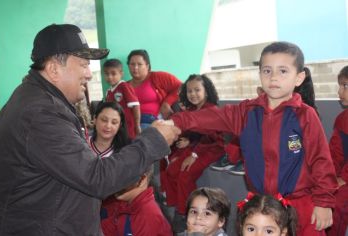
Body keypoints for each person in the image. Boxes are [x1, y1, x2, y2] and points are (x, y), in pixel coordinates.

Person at [0, 23, 180, 235]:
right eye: (83, 65)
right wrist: (154, 140)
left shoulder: (36, 101)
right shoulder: (41, 114)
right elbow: (96, 178)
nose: (90, 74)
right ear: (54, 69)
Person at [166, 41, 338, 235]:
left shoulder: (305, 116)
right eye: (267, 71)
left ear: (299, 78)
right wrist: (174, 122)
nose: (273, 77)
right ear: (259, 75)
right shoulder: (246, 112)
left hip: (301, 205)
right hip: (262, 208)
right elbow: (210, 117)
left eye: (283, 71)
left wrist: (324, 203)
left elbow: (322, 160)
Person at [162, 74, 225, 228]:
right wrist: (188, 142)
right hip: (196, 147)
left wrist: (193, 155)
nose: (193, 94)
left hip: (211, 148)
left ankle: (186, 214)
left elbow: (210, 137)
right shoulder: (190, 110)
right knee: (171, 169)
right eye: (189, 91)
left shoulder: (211, 110)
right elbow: (193, 132)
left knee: (185, 174)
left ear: (206, 91)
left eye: (197, 90)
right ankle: (177, 205)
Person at [101, 165, 173, 236]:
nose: (116, 184)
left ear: (142, 180)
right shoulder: (126, 206)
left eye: (124, 178)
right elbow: (104, 229)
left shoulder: (147, 216)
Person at [127, 49, 182, 129]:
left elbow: (182, 87)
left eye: (139, 64)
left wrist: (167, 103)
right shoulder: (124, 86)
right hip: (132, 123)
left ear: (147, 66)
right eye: (132, 64)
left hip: (153, 121)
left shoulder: (158, 77)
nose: (135, 67)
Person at [326, 66, 348, 236]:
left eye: (345, 86)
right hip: (342, 178)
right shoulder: (342, 119)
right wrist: (331, 177)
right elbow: (334, 153)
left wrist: (344, 178)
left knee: (340, 201)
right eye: (340, 85)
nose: (339, 91)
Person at [104, 58, 141, 139]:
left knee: (128, 146)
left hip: (127, 128)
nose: (109, 77)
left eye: (113, 74)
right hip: (115, 127)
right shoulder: (108, 92)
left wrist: (137, 126)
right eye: (107, 74)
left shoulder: (124, 86)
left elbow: (135, 106)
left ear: (121, 74)